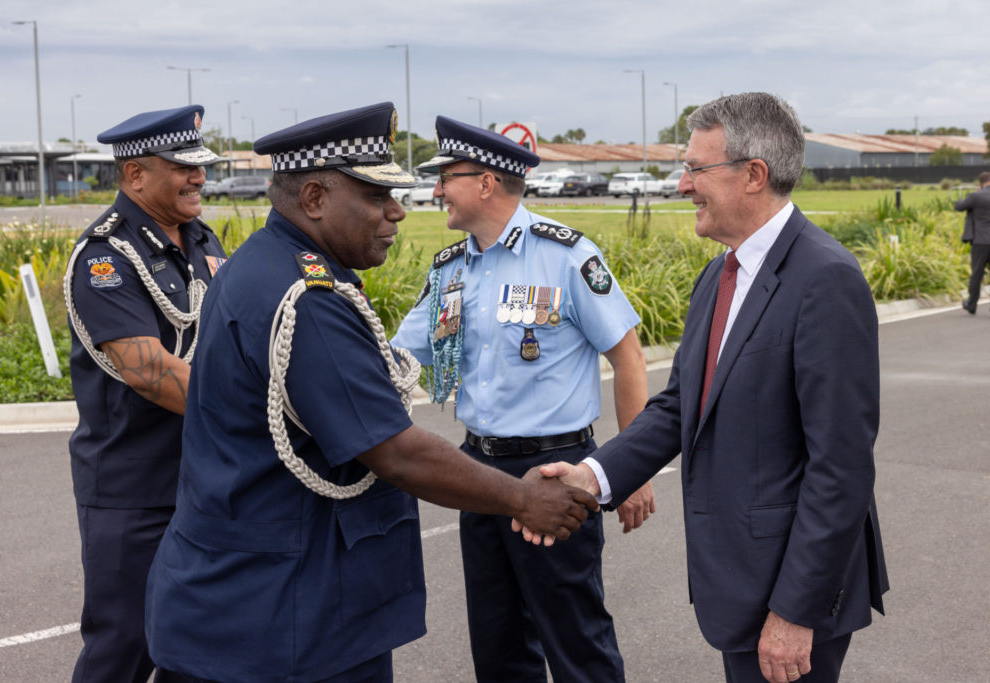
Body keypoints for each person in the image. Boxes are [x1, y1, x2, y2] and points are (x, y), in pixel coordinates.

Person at [143, 101, 597, 683]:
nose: (397, 213)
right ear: (314, 199)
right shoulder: (308, 301)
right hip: (283, 621)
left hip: (244, 605)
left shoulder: (265, 262)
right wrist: (523, 499)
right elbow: (395, 450)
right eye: (377, 197)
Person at [523, 93, 889, 683]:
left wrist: (795, 612)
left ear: (754, 175)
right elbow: (680, 403)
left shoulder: (825, 279)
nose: (681, 184)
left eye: (695, 169)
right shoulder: (719, 274)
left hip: (788, 591)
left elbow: (840, 467)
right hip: (741, 581)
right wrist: (591, 476)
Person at [391, 116, 654, 683]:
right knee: (498, 642)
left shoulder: (565, 256)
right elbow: (400, 359)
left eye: (446, 178)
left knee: (576, 641)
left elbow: (628, 357)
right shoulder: (449, 269)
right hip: (477, 471)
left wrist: (629, 471)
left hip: (555, 471)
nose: (435, 191)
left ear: (486, 182)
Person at [64, 104, 226, 682]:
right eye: (183, 167)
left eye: (200, 166)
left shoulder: (202, 238)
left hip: (205, 480)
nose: (198, 177)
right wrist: (258, 413)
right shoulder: (105, 257)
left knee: (200, 645)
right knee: (125, 647)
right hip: (135, 490)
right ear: (135, 175)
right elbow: (148, 371)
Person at [955, 171, 990, 313]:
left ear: (981, 183)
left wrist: (975, 193)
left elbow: (959, 206)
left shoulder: (975, 196)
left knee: (977, 273)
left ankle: (972, 304)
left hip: (980, 241)